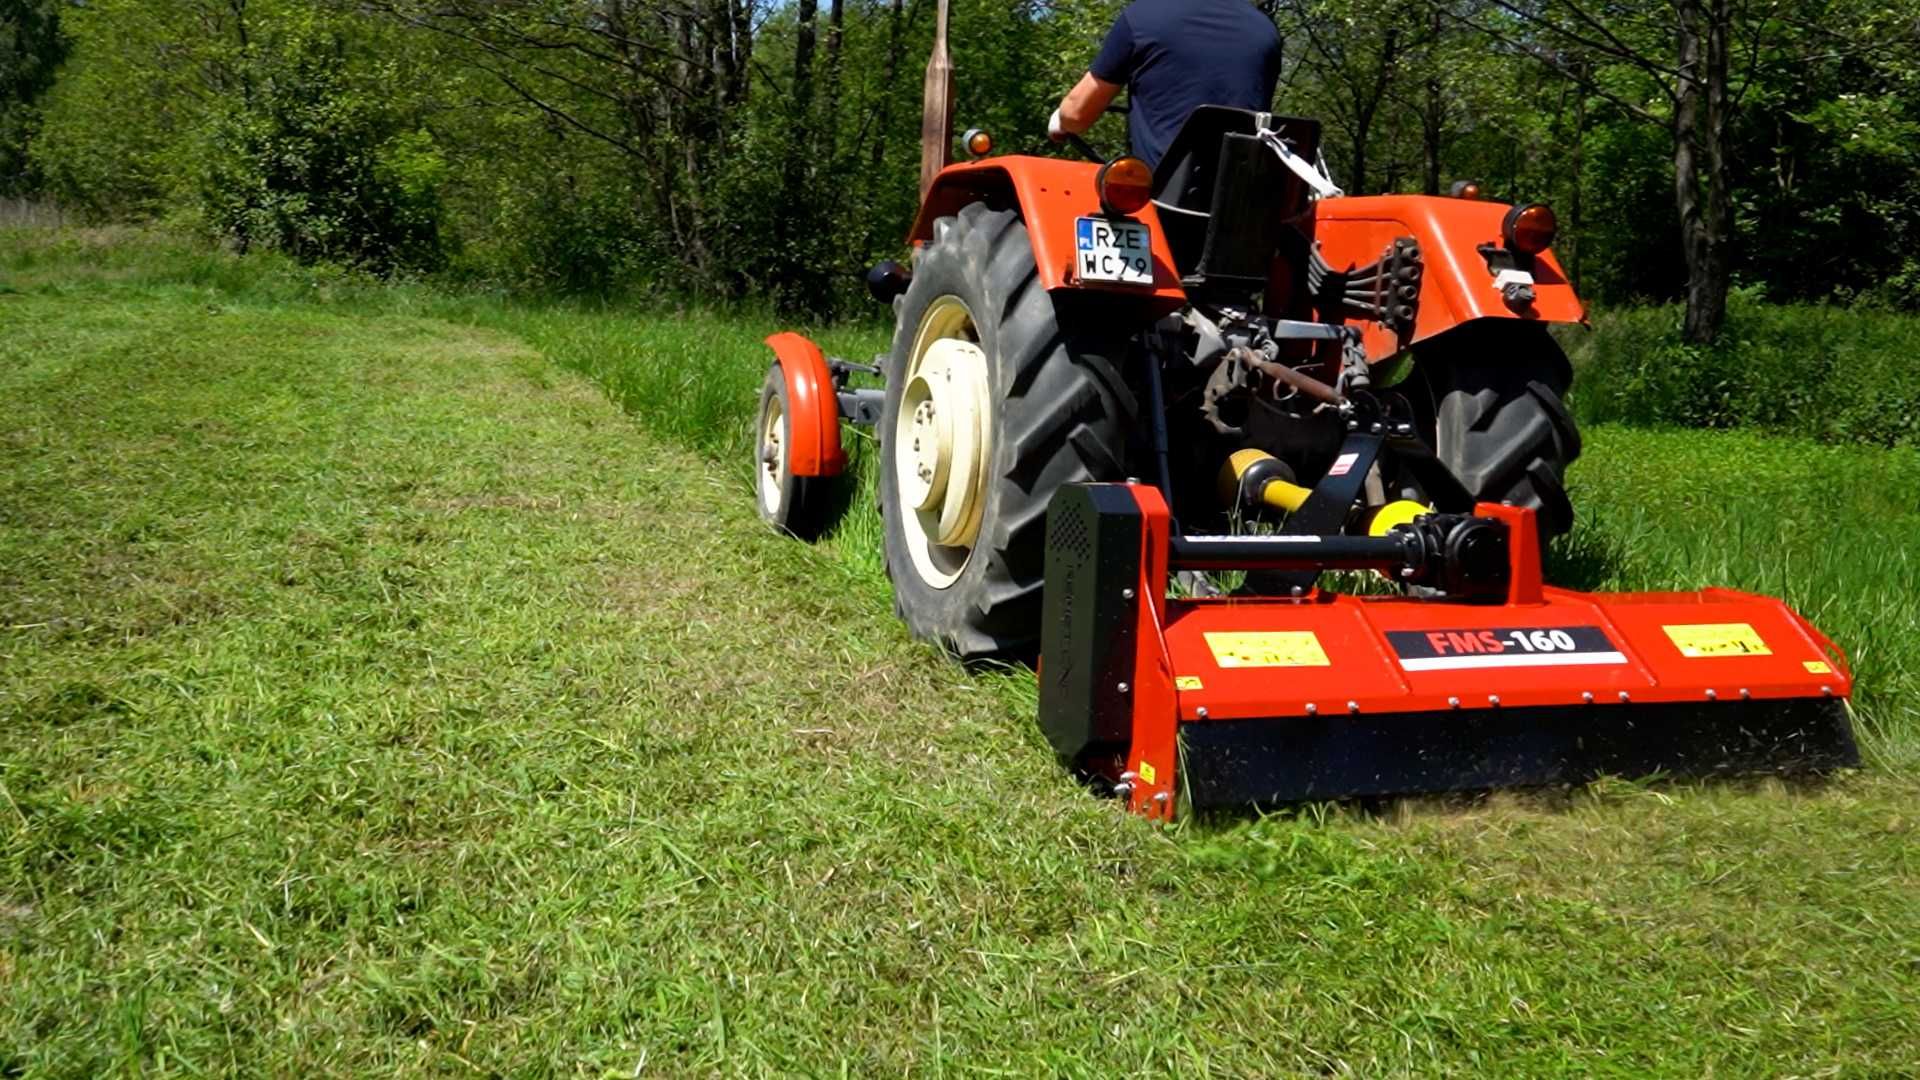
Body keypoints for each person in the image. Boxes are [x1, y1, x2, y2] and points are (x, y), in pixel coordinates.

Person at [1049, 0, 1284, 170]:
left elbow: (1076, 114)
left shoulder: (1143, 17)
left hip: (1161, 201)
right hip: (1245, 206)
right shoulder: (1266, 31)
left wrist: (1061, 120)